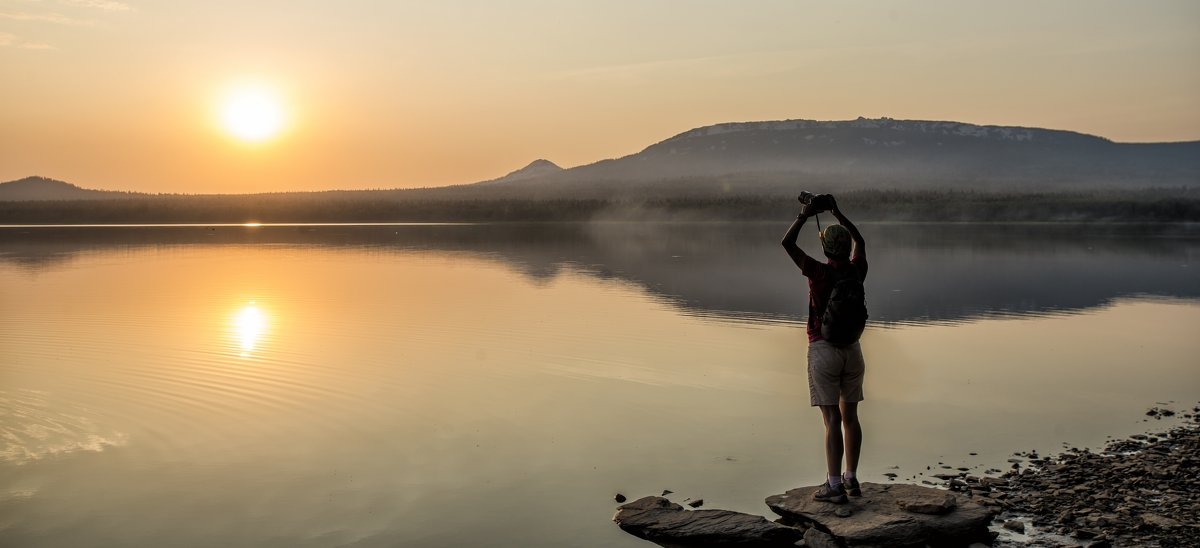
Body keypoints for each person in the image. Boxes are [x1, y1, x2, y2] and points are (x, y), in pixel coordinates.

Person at [780, 194, 867, 504]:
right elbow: (861, 242)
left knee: (831, 420)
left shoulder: (819, 272)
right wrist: (838, 212)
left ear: (827, 249)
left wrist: (804, 215)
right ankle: (852, 479)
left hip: (823, 349)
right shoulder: (857, 270)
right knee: (851, 418)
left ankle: (833, 486)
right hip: (853, 350)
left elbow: (787, 244)